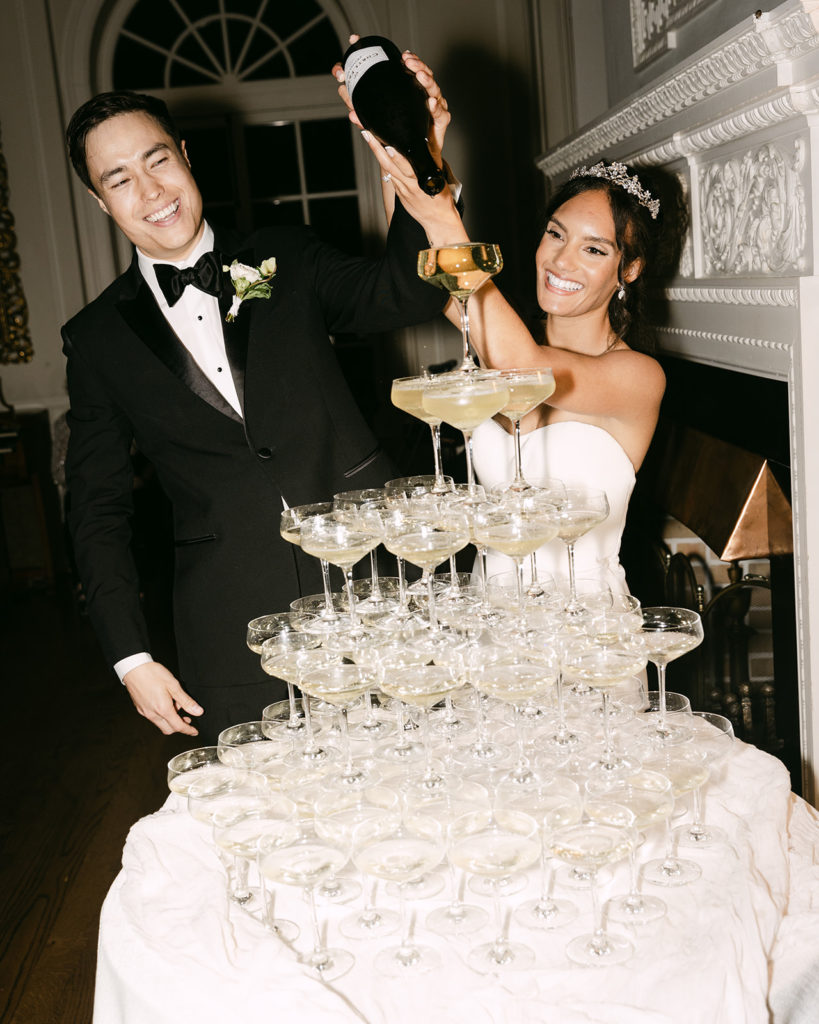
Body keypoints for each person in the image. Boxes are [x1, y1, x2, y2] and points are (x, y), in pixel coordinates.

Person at [61, 76, 460, 743]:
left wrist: (418, 157)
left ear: (186, 155)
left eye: (158, 159)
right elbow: (96, 508)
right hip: (235, 629)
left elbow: (405, 295)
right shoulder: (97, 338)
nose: (152, 191)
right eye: (120, 178)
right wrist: (130, 658)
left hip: (382, 582)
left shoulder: (284, 257)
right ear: (101, 201)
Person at [347, 75, 667, 598]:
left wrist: (444, 215)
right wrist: (406, 146)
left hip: (588, 638)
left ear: (628, 270)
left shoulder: (639, 376)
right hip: (494, 623)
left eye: (594, 249)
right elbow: (424, 267)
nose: (561, 260)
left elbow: (527, 375)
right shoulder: (501, 330)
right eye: (556, 234)